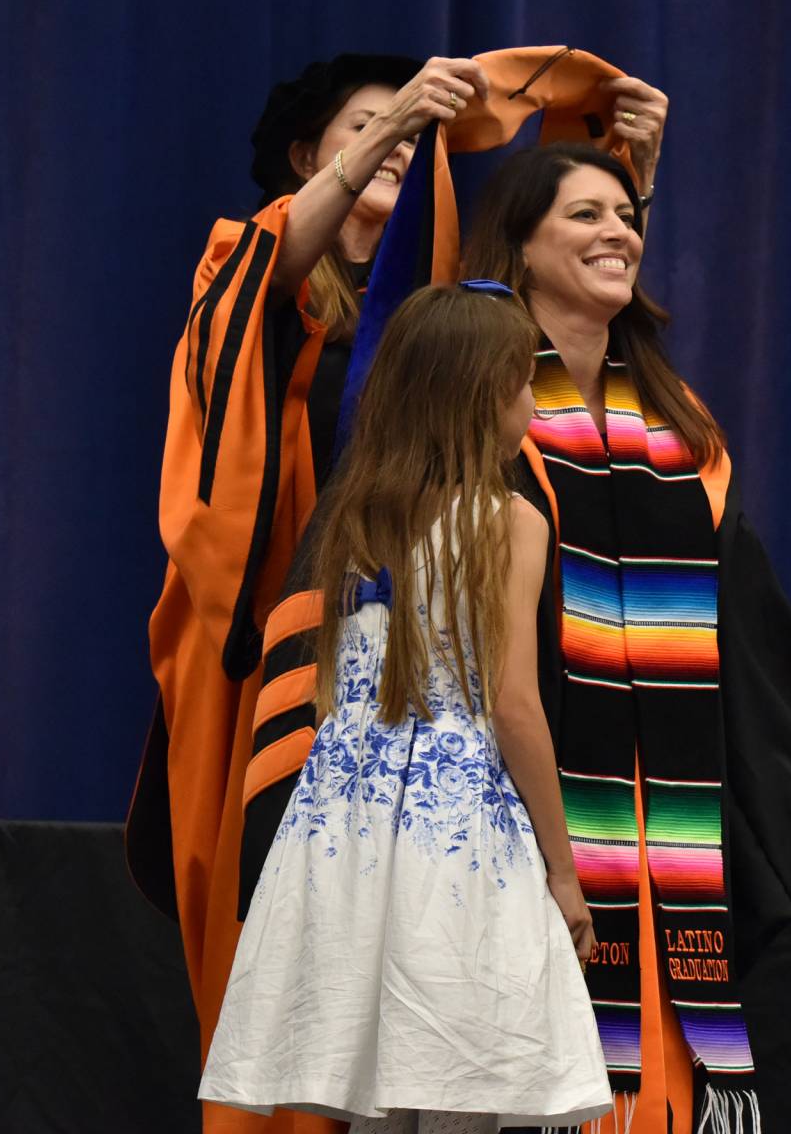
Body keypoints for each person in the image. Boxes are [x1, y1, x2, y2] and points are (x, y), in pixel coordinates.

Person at [128, 49, 673, 1134]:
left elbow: (563, 296)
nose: (395, 147)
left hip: (407, 699)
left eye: (404, 132)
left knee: (393, 1043)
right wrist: (400, 128)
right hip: (288, 650)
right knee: (382, 1046)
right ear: (308, 155)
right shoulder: (267, 288)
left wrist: (628, 175)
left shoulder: (440, 303)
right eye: (365, 130)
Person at [457, 143, 791, 1132]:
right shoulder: (474, 410)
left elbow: (750, 640)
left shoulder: (678, 428)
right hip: (513, 808)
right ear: (521, 247)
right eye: (585, 214)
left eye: (627, 214)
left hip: (673, 845)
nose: (619, 231)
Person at [201, 283, 611, 1132]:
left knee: (380, 1082)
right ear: (480, 395)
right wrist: (563, 869)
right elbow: (513, 704)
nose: (534, 403)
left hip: (343, 824)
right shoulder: (508, 521)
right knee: (462, 1077)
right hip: (453, 829)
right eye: (522, 382)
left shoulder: (355, 516)